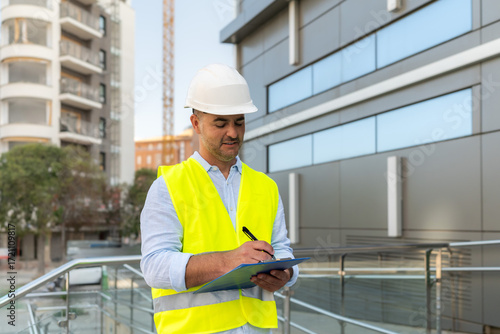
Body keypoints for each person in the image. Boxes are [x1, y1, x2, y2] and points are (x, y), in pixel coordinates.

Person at [140, 63, 298, 334]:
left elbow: (282, 249)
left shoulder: (266, 186)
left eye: (239, 122)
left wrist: (286, 275)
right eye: (221, 123)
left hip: (257, 328)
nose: (233, 133)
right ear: (196, 123)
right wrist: (229, 261)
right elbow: (154, 266)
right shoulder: (167, 186)